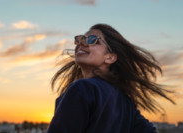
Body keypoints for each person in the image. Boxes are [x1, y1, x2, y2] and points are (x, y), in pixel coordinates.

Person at [46, 24, 175, 133]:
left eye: (92, 39)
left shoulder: (82, 89)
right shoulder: (126, 103)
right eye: (80, 39)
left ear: (110, 57)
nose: (82, 43)